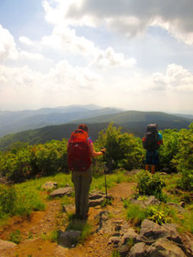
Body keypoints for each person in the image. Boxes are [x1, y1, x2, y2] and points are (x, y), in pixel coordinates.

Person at [67, 124, 105, 220]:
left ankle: (77, 212)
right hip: (86, 169)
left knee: (77, 191)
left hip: (74, 169)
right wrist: (102, 152)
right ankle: (83, 214)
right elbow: (93, 153)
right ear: (86, 131)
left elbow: (68, 151)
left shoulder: (71, 139)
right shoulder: (89, 139)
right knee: (85, 191)